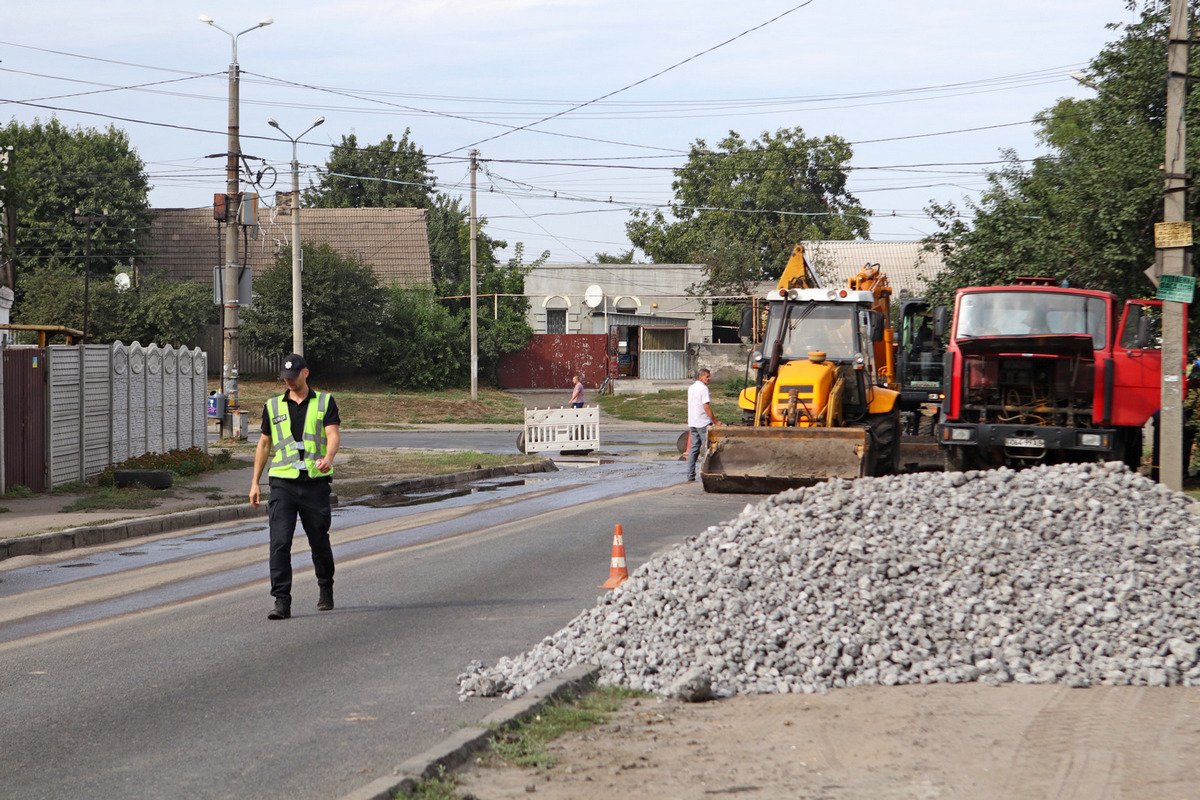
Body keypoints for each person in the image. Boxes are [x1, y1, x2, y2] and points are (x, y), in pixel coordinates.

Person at [249, 353, 342, 621]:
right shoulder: (273, 406)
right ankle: (281, 601)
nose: (288, 382)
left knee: (319, 542)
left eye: (293, 376)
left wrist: (329, 458)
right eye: (285, 378)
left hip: (314, 483)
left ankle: (326, 588)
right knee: (279, 543)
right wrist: (255, 482)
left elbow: (333, 434)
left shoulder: (325, 402)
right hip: (282, 484)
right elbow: (264, 443)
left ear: (305, 373)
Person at [686, 368, 721, 482]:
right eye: (707, 376)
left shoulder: (691, 388)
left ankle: (690, 476)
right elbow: (706, 407)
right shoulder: (703, 388)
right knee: (709, 449)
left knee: (694, 449)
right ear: (701, 377)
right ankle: (708, 474)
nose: (709, 378)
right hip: (702, 422)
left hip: (693, 422)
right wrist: (715, 421)